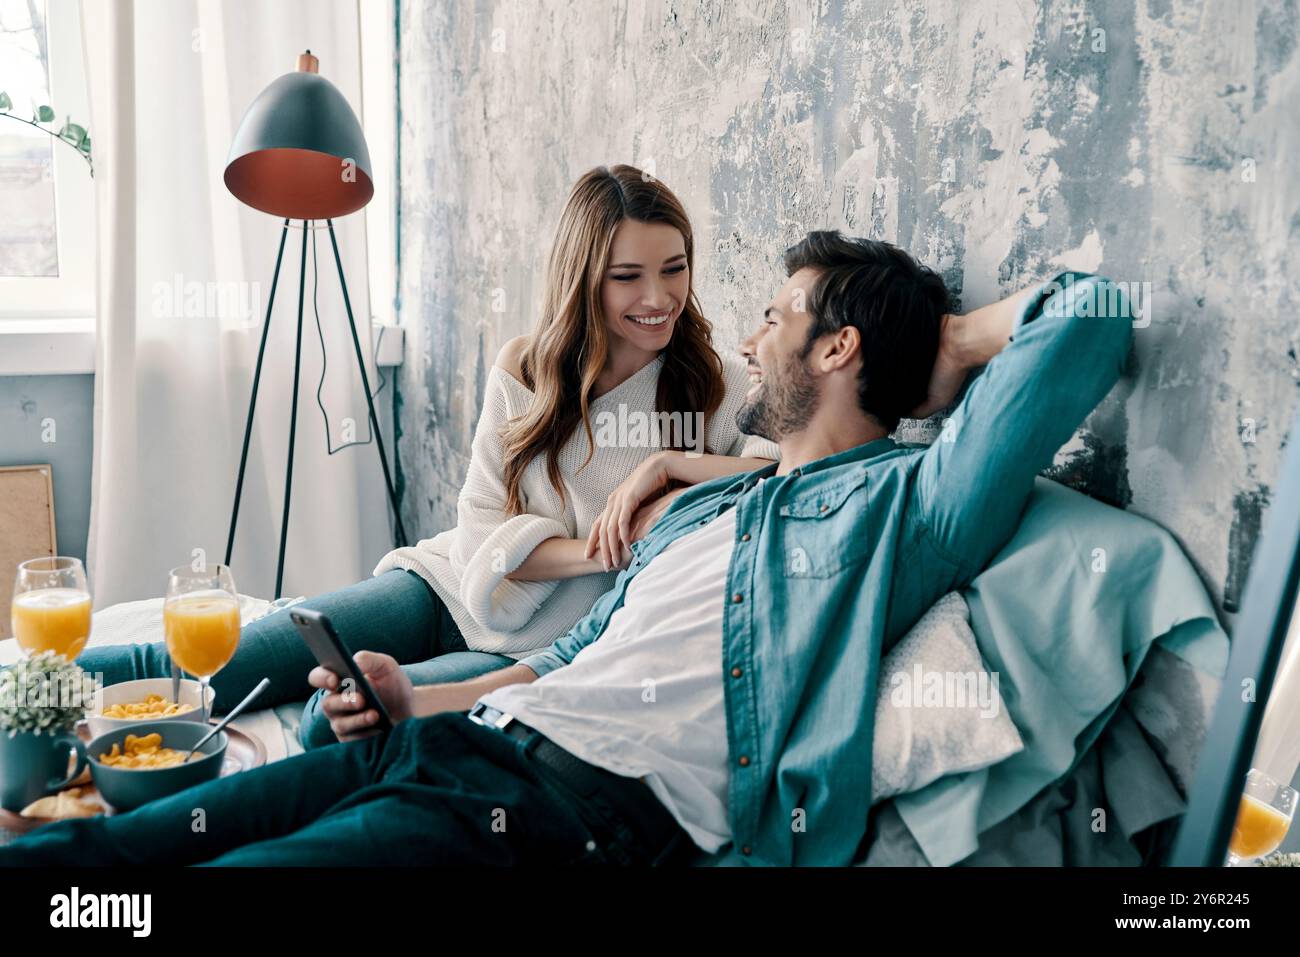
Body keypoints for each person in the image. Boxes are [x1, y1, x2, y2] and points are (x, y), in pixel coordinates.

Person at [2, 233, 1133, 866]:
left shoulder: (907, 508)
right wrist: (412, 704)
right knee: (108, 858)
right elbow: (556, 664)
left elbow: (1091, 315)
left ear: (839, 345)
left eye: (780, 317)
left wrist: (943, 345)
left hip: (562, 818)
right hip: (454, 749)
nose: (745, 334)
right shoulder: (701, 510)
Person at [76, 165, 777, 749]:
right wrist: (605, 549)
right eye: (629, 276)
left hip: (525, 649)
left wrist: (666, 467)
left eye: (674, 268)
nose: (659, 298)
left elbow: (785, 474)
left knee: (339, 721)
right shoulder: (527, 368)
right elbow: (479, 531)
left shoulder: (716, 387)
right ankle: (31, 696)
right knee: (223, 658)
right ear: (584, 278)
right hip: (444, 585)